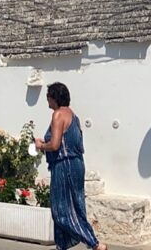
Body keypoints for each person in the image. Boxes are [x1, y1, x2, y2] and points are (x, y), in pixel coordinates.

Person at [34, 82, 106, 250]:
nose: (47, 102)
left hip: (64, 165)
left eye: (48, 98)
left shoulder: (58, 115)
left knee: (60, 211)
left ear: (54, 98)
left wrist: (40, 145)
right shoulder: (73, 115)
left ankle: (94, 243)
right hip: (76, 164)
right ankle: (62, 246)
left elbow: (55, 145)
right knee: (76, 205)